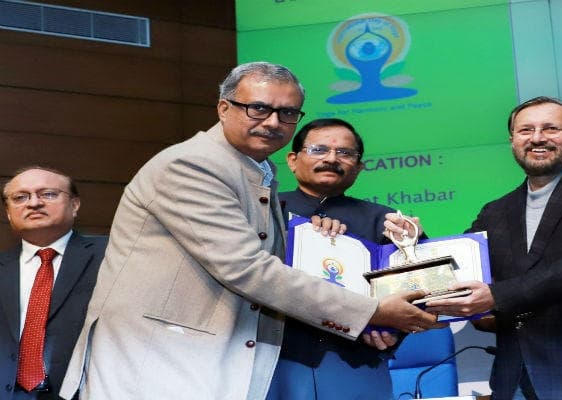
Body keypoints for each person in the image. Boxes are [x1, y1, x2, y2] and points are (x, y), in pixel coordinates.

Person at [59, 62, 439, 400]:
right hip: (158, 361)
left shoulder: (256, 171)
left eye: (287, 113)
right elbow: (246, 268)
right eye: (258, 108)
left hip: (210, 360)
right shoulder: (192, 166)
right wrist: (371, 311)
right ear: (224, 108)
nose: (273, 122)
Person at [422, 96, 562, 399]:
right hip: (516, 380)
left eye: (551, 128)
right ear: (513, 141)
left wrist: (497, 296)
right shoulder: (495, 211)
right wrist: (412, 242)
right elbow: (462, 264)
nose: (537, 138)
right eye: (525, 130)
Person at [267, 118, 409, 399]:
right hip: (273, 356)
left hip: (356, 362)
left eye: (345, 153)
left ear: (358, 167)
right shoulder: (265, 209)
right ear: (293, 160)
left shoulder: (386, 221)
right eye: (319, 150)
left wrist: (391, 330)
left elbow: (415, 287)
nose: (332, 159)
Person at [0, 167, 107, 400]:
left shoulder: (111, 256)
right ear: (8, 213)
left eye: (48, 194)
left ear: (74, 205)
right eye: (20, 197)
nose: (34, 203)